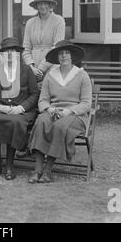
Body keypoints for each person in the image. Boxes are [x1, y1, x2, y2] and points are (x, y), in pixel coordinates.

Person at [27, 40, 92, 184]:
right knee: (41, 122)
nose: (64, 56)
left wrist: (68, 111)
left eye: (67, 53)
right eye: (61, 54)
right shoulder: (50, 76)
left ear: (72, 56)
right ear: (57, 57)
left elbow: (86, 104)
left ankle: (48, 170)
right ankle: (38, 169)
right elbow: (43, 100)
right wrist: (49, 109)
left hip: (75, 115)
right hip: (53, 111)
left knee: (59, 127)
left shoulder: (82, 75)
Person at [0, 37, 39, 180]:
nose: (10, 54)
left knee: (15, 122)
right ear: (1, 55)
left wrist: (22, 108)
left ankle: (10, 164)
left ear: (18, 54)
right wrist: (0, 107)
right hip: (1, 109)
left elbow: (35, 93)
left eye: (13, 51)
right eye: (6, 52)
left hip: (21, 111)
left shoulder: (27, 70)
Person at [17, 0, 65, 158]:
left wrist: (42, 67)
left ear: (51, 5)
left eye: (46, 3)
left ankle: (45, 146)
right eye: (39, 3)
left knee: (47, 102)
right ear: (36, 6)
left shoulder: (59, 21)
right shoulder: (30, 22)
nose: (43, 6)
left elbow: (56, 47)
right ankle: (26, 143)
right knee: (30, 100)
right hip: (32, 67)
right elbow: (26, 48)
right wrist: (31, 66)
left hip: (52, 66)